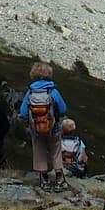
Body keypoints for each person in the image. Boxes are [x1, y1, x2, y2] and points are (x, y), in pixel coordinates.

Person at [18, 59, 68, 188]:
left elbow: (23, 112)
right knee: (56, 151)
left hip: (36, 129)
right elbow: (63, 109)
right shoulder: (53, 91)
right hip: (53, 128)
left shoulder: (30, 92)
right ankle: (59, 180)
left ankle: (44, 180)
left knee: (39, 151)